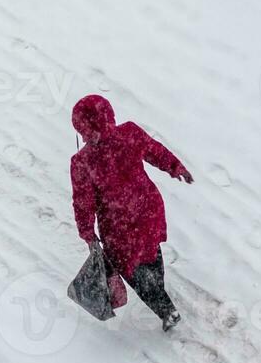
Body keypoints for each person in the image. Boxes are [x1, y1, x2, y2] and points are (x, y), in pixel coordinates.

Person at [70, 94, 193, 332]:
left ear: (82, 128)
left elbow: (83, 203)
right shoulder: (129, 132)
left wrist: (87, 233)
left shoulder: (82, 161)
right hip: (148, 208)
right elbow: (155, 151)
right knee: (150, 250)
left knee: (128, 266)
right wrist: (175, 166)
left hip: (119, 224)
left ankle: (165, 309)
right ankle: (158, 289)